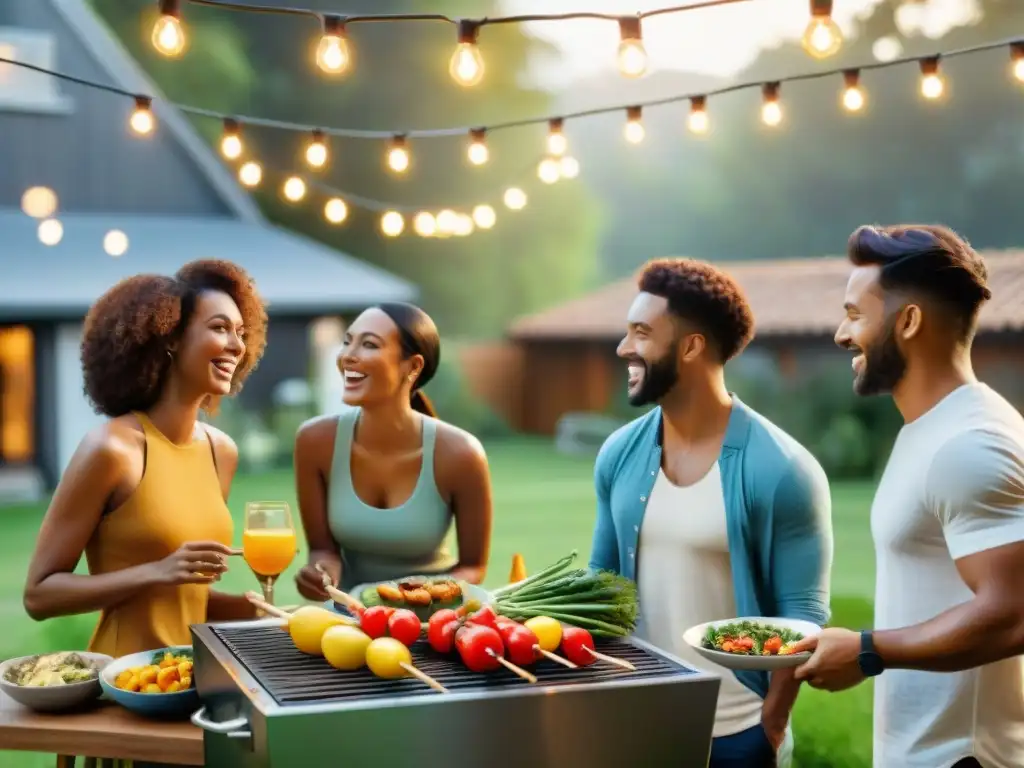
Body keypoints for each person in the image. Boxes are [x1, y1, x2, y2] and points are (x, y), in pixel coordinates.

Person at [791, 224, 1024, 768]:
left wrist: (869, 650)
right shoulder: (932, 428)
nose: (840, 334)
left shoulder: (969, 443)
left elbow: (1015, 613)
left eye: (854, 313)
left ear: (909, 321)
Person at [589, 258, 833, 768]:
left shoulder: (783, 470)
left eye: (640, 333)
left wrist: (771, 724)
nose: (623, 347)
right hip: (636, 718)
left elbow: (802, 616)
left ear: (691, 346)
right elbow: (603, 581)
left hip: (739, 730)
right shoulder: (618, 453)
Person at [23, 260, 269, 657]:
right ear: (170, 336)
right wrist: (156, 571)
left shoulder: (220, 451)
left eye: (241, 333)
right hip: (128, 683)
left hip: (194, 679)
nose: (236, 346)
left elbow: (186, 598)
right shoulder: (110, 449)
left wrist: (255, 608)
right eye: (220, 328)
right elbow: (39, 594)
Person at [293, 302, 492, 601]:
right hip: (350, 618)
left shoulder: (461, 454)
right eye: (348, 342)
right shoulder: (314, 441)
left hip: (432, 617)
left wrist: (413, 598)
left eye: (369, 344)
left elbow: (472, 567)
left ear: (412, 367)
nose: (348, 355)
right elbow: (323, 551)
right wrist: (321, 574)